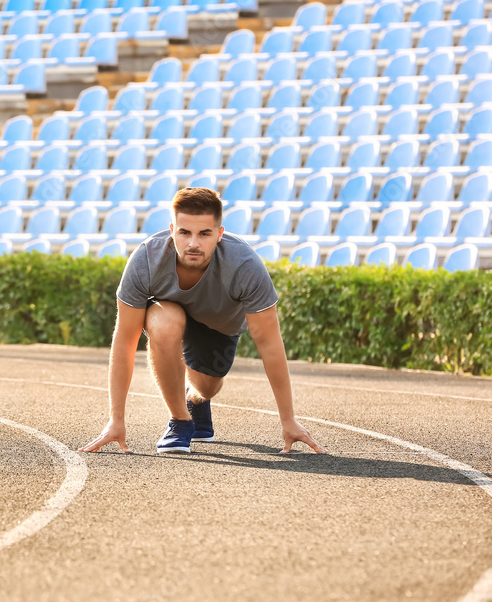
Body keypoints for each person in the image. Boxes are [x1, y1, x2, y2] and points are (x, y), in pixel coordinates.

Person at [79, 187, 327, 455]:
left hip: (219, 326)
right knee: (163, 321)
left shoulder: (244, 265)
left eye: (204, 233)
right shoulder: (146, 259)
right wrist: (116, 419)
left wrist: (288, 420)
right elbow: (125, 340)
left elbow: (269, 343)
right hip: (169, 314)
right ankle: (180, 421)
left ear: (219, 234)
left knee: (206, 388)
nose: (193, 243)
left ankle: (195, 401)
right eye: (184, 233)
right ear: (172, 230)